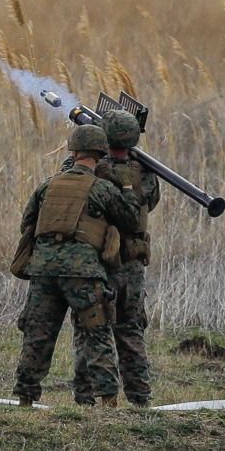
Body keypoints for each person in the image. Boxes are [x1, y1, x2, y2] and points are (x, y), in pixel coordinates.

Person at [13, 124, 142, 407]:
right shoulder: (102, 188)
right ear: (100, 152)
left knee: (38, 335)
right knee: (96, 333)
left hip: (43, 270)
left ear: (73, 150)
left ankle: (25, 396)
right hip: (83, 272)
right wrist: (128, 185)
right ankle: (107, 399)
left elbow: (27, 222)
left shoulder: (48, 184)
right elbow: (132, 221)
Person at [64, 110, 160, 408]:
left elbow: (69, 181)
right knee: (131, 330)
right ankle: (140, 398)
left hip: (96, 261)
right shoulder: (145, 174)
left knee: (90, 327)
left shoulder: (91, 170)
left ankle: (86, 397)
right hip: (131, 264)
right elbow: (151, 203)